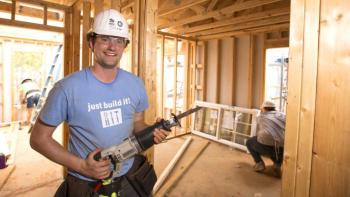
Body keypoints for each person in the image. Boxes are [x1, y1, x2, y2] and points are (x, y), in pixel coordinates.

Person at [30, 9, 169, 196]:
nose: (112, 46)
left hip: (129, 176)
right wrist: (81, 165)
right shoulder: (66, 88)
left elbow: (136, 123)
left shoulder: (135, 84)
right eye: (105, 38)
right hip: (86, 182)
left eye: (119, 40)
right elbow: (38, 139)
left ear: (124, 46)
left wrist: (153, 131)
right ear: (91, 42)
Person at [246, 100, 286, 177]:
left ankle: (259, 163)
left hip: (265, 147)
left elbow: (257, 132)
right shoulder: (282, 115)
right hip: (283, 149)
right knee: (275, 145)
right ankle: (277, 164)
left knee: (250, 142)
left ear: (264, 108)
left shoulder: (261, 116)